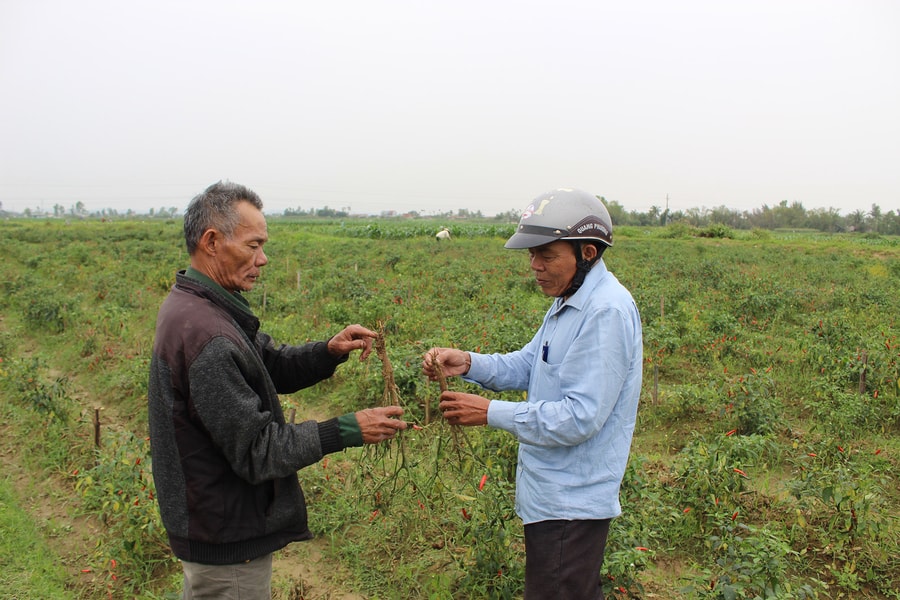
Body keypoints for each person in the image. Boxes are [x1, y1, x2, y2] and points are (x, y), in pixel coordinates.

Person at [148, 181, 407, 599]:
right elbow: (259, 450)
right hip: (224, 539)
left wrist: (328, 351)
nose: (263, 259)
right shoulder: (206, 333)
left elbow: (266, 364)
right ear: (211, 241)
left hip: (217, 523)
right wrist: (346, 430)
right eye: (253, 245)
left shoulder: (202, 307)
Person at [423, 188, 642, 600]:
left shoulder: (605, 312)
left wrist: (489, 412)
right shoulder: (569, 300)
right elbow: (529, 364)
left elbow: (581, 416)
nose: (535, 266)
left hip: (572, 505)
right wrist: (468, 362)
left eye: (546, 255)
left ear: (588, 253)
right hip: (550, 495)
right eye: (531, 255)